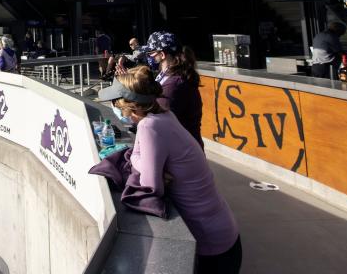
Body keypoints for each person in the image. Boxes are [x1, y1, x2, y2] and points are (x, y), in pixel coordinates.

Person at [97, 67, 241, 272]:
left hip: (212, 245)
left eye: (116, 103)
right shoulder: (165, 116)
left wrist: (139, 160)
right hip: (224, 232)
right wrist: (145, 162)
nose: (115, 107)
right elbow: (144, 161)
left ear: (132, 106)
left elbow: (150, 185)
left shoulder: (149, 126)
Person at [145, 31, 203, 146]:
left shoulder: (174, 83)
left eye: (151, 53)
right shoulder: (166, 74)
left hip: (183, 153)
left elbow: (159, 119)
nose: (149, 57)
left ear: (162, 55)